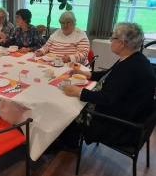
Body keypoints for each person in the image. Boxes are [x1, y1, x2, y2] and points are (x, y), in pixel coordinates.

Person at [56, 22, 156, 152]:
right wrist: (87, 73)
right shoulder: (135, 59)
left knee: (70, 109)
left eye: (113, 38)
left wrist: (79, 92)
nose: (111, 41)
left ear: (123, 42)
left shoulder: (129, 68)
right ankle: (68, 139)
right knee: (74, 104)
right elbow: (110, 73)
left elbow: (107, 99)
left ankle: (70, 144)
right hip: (128, 115)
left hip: (119, 127)